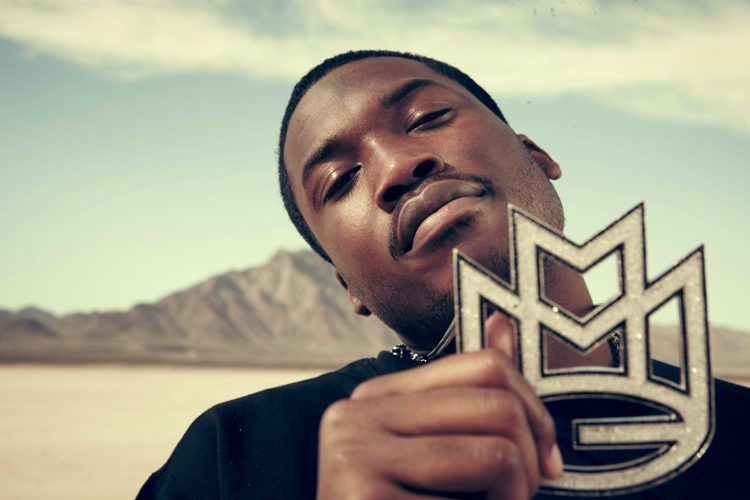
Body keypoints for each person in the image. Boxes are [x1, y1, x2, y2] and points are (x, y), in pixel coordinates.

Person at [136, 50, 750, 500]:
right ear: (347, 286)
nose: (396, 167)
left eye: (427, 117)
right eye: (340, 181)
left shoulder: (739, 430)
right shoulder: (234, 459)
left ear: (535, 155)